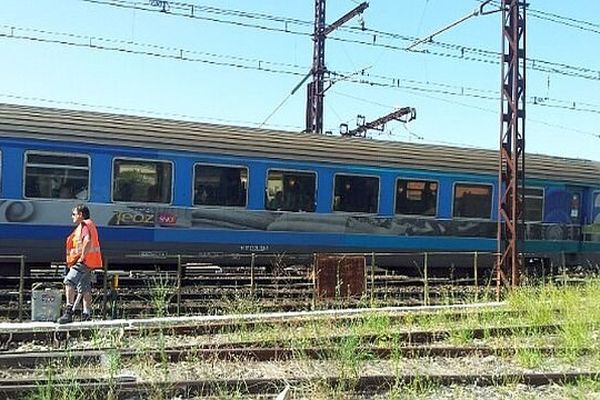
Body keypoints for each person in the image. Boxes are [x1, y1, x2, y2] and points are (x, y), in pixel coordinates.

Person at [57, 204, 103, 323]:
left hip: (84, 261)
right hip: (90, 261)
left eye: (74, 214)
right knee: (85, 287)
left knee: (69, 281)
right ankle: (87, 314)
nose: (72, 217)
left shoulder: (84, 225)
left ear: (80, 215)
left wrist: (82, 257)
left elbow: (87, 241)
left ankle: (68, 313)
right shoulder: (89, 224)